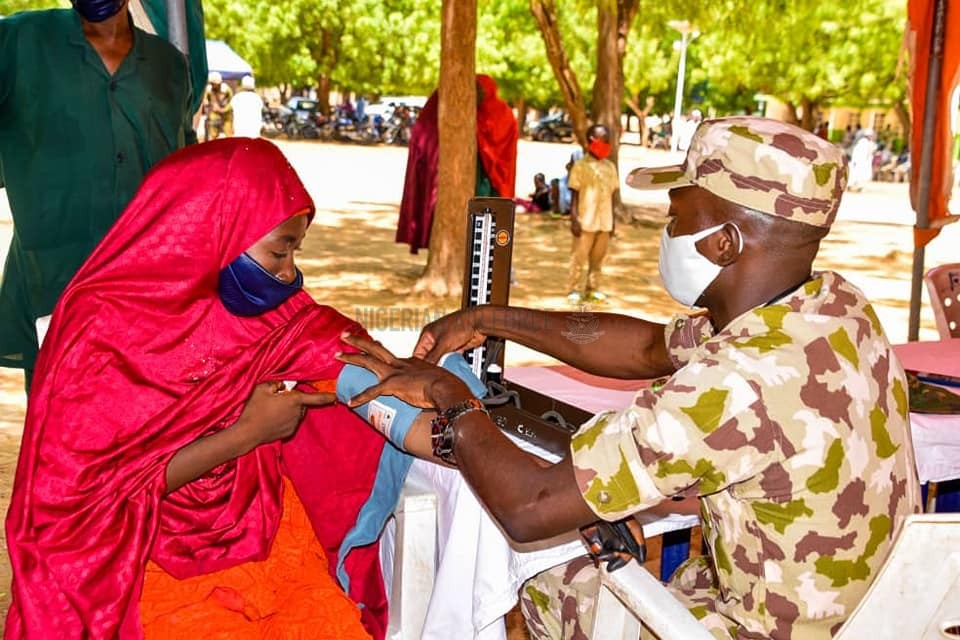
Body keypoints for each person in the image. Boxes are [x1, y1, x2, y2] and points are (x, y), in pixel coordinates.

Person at [337, 117, 921, 639]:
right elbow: (645, 347)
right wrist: (491, 319)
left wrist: (449, 395)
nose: (665, 229)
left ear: (724, 241)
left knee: (546, 568)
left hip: (762, 631)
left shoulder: (734, 382)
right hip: (873, 617)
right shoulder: (835, 307)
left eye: (676, 213)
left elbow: (530, 504)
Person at [5, 139, 409, 639]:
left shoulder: (257, 306)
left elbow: (333, 341)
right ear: (212, 226)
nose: (290, 273)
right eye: (280, 250)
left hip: (256, 527)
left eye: (295, 251)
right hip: (138, 560)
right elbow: (77, 504)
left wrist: (430, 379)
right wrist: (247, 435)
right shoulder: (100, 330)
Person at [0, 0, 196, 393]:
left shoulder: (168, 65)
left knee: (142, 417)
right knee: (59, 421)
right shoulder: (19, 42)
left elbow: (184, 175)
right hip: (56, 281)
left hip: (146, 286)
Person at [396, 74, 518, 254]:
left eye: (481, 90)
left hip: (490, 179)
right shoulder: (457, 110)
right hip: (462, 175)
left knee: (487, 217)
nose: (477, 95)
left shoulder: (501, 114)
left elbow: (504, 147)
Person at [566, 124, 619, 305]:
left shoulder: (610, 167)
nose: (606, 144)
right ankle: (574, 288)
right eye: (603, 141)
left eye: (608, 141)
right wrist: (574, 218)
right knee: (578, 257)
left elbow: (612, 196)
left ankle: (593, 288)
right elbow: (574, 194)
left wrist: (613, 222)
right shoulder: (580, 166)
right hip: (585, 221)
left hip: (604, 222)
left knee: (598, 258)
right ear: (591, 142)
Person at [202, 70, 233, 141]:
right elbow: (206, 101)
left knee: (229, 137)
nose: (214, 85)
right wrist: (208, 104)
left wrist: (223, 110)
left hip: (226, 116)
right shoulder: (209, 90)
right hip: (214, 116)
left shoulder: (226, 89)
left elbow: (231, 102)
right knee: (212, 137)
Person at [230, 74, 264, 138]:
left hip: (239, 132)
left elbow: (231, 113)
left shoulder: (237, 97)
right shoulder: (257, 98)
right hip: (254, 133)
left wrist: (232, 127)